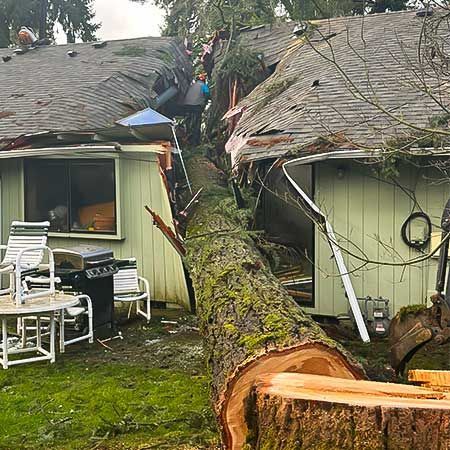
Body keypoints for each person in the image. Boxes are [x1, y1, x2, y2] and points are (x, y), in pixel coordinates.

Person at [182, 73, 210, 145]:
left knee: (188, 121)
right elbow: (207, 94)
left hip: (187, 105)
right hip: (196, 106)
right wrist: (205, 101)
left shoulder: (192, 85)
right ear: (204, 80)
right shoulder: (203, 85)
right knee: (197, 123)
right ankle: (195, 142)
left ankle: (187, 137)